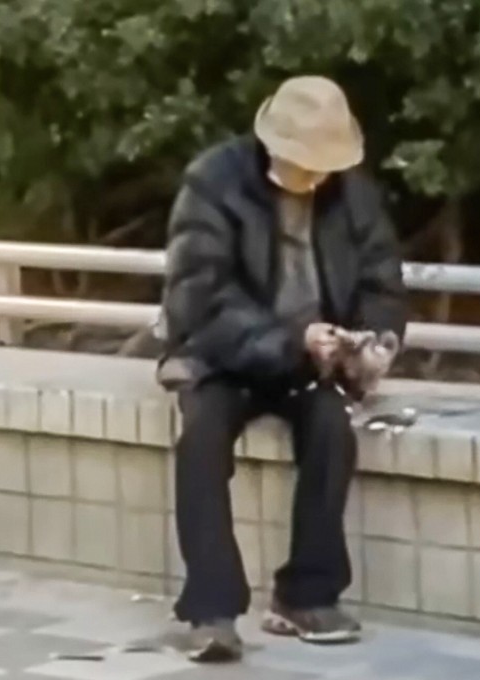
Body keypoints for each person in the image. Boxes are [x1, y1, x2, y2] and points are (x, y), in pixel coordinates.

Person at [157, 75, 407, 662]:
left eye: (327, 165)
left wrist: (376, 341)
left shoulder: (354, 196)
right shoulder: (212, 183)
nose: (317, 178)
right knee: (201, 439)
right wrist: (292, 338)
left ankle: (307, 595)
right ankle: (211, 609)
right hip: (221, 355)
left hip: (312, 359)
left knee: (330, 431)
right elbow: (199, 298)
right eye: (306, 164)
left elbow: (382, 283)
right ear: (273, 146)